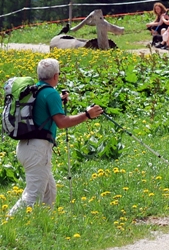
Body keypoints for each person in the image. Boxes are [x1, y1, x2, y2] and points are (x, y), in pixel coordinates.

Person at [9, 58, 103, 216]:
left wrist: (58, 99)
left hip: (26, 147)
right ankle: (10, 222)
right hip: (37, 150)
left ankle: (43, 224)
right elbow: (62, 122)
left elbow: (42, 108)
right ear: (55, 76)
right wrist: (88, 115)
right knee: (33, 195)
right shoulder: (50, 93)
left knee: (49, 191)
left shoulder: (36, 90)